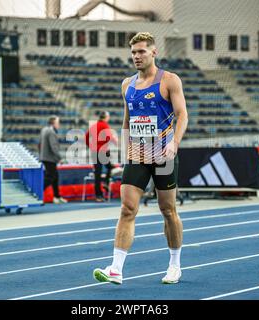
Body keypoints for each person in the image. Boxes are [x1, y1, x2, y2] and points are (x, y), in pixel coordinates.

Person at [93, 32, 188, 285]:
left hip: (164, 154)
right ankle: (116, 268)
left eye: (141, 51)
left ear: (153, 52)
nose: (136, 56)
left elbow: (182, 115)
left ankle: (174, 265)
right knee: (127, 208)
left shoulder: (169, 80)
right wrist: (126, 149)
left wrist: (174, 144)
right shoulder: (127, 84)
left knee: (167, 210)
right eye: (133, 52)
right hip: (137, 154)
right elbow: (127, 120)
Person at [85, 111, 117, 202]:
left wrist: (90, 146)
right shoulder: (105, 125)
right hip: (103, 151)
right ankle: (106, 182)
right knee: (110, 167)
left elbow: (86, 137)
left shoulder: (93, 126)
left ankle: (98, 195)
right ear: (106, 117)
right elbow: (109, 137)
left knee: (97, 174)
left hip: (94, 151)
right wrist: (115, 142)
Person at [39, 116, 67, 204]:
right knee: (50, 178)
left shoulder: (44, 130)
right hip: (50, 158)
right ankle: (37, 193)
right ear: (53, 123)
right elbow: (53, 147)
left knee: (55, 177)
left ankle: (57, 196)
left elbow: (39, 144)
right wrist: (60, 158)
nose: (59, 125)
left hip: (45, 157)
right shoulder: (51, 132)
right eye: (58, 123)